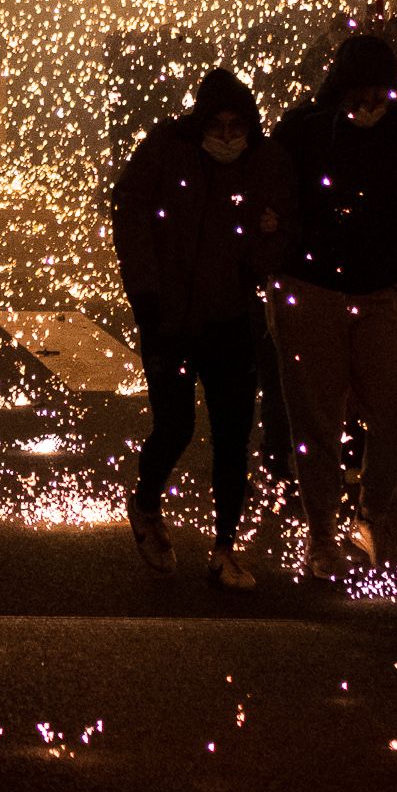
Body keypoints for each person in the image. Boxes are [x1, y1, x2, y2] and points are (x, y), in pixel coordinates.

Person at [268, 33, 397, 578]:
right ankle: (320, 532)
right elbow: (274, 190)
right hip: (312, 287)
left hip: (378, 290)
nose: (368, 102)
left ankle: (373, 514)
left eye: (379, 91)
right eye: (359, 91)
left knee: (395, 414)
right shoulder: (304, 130)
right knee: (317, 419)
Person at [113, 68, 295, 591]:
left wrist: (263, 249)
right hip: (168, 318)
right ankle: (146, 504)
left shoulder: (264, 162)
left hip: (231, 319)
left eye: (237, 125)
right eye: (217, 124)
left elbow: (286, 225)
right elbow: (130, 209)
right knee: (174, 425)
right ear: (199, 122)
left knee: (233, 435)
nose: (227, 135)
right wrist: (145, 291)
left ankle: (224, 547)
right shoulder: (168, 148)